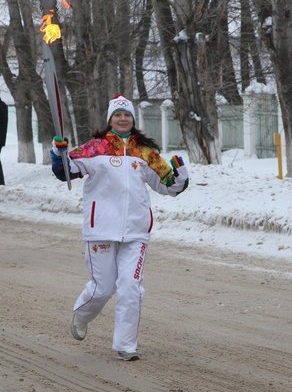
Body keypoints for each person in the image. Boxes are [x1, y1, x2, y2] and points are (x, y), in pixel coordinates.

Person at [52, 95, 189, 361]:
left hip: (136, 231)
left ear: (133, 119)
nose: (123, 118)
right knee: (102, 288)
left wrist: (180, 176)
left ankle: (126, 345)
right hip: (101, 229)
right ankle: (82, 315)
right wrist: (59, 152)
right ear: (110, 119)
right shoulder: (95, 148)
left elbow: (167, 185)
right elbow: (65, 171)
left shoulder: (145, 152)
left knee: (130, 286)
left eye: (127, 114)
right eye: (118, 115)